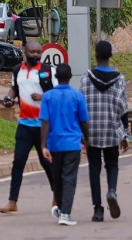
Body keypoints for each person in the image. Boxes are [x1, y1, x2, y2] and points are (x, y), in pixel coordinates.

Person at [0, 39, 55, 215]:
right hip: (24, 124)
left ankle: (58, 196)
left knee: (46, 163)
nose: (36, 55)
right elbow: (14, 89)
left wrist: (43, 96)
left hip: (43, 126)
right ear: (25, 52)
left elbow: (57, 94)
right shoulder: (18, 71)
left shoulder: (48, 71)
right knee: (18, 163)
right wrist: (8, 99)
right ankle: (12, 201)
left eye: (39, 52)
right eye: (33, 52)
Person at [80, 41, 130, 222]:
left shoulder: (86, 78)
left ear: (96, 55)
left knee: (94, 169)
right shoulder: (120, 79)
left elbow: (81, 108)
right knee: (112, 164)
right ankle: (112, 191)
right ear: (110, 56)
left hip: (91, 132)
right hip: (111, 130)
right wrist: (125, 135)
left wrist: (81, 136)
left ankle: (98, 209)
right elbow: (123, 109)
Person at [40, 64, 89, 227]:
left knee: (57, 179)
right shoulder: (77, 96)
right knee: (69, 179)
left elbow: (45, 122)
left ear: (56, 77)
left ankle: (61, 209)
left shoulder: (47, 96)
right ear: (70, 76)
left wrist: (43, 146)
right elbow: (83, 121)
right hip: (72, 144)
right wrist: (87, 139)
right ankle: (65, 214)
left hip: (54, 145)